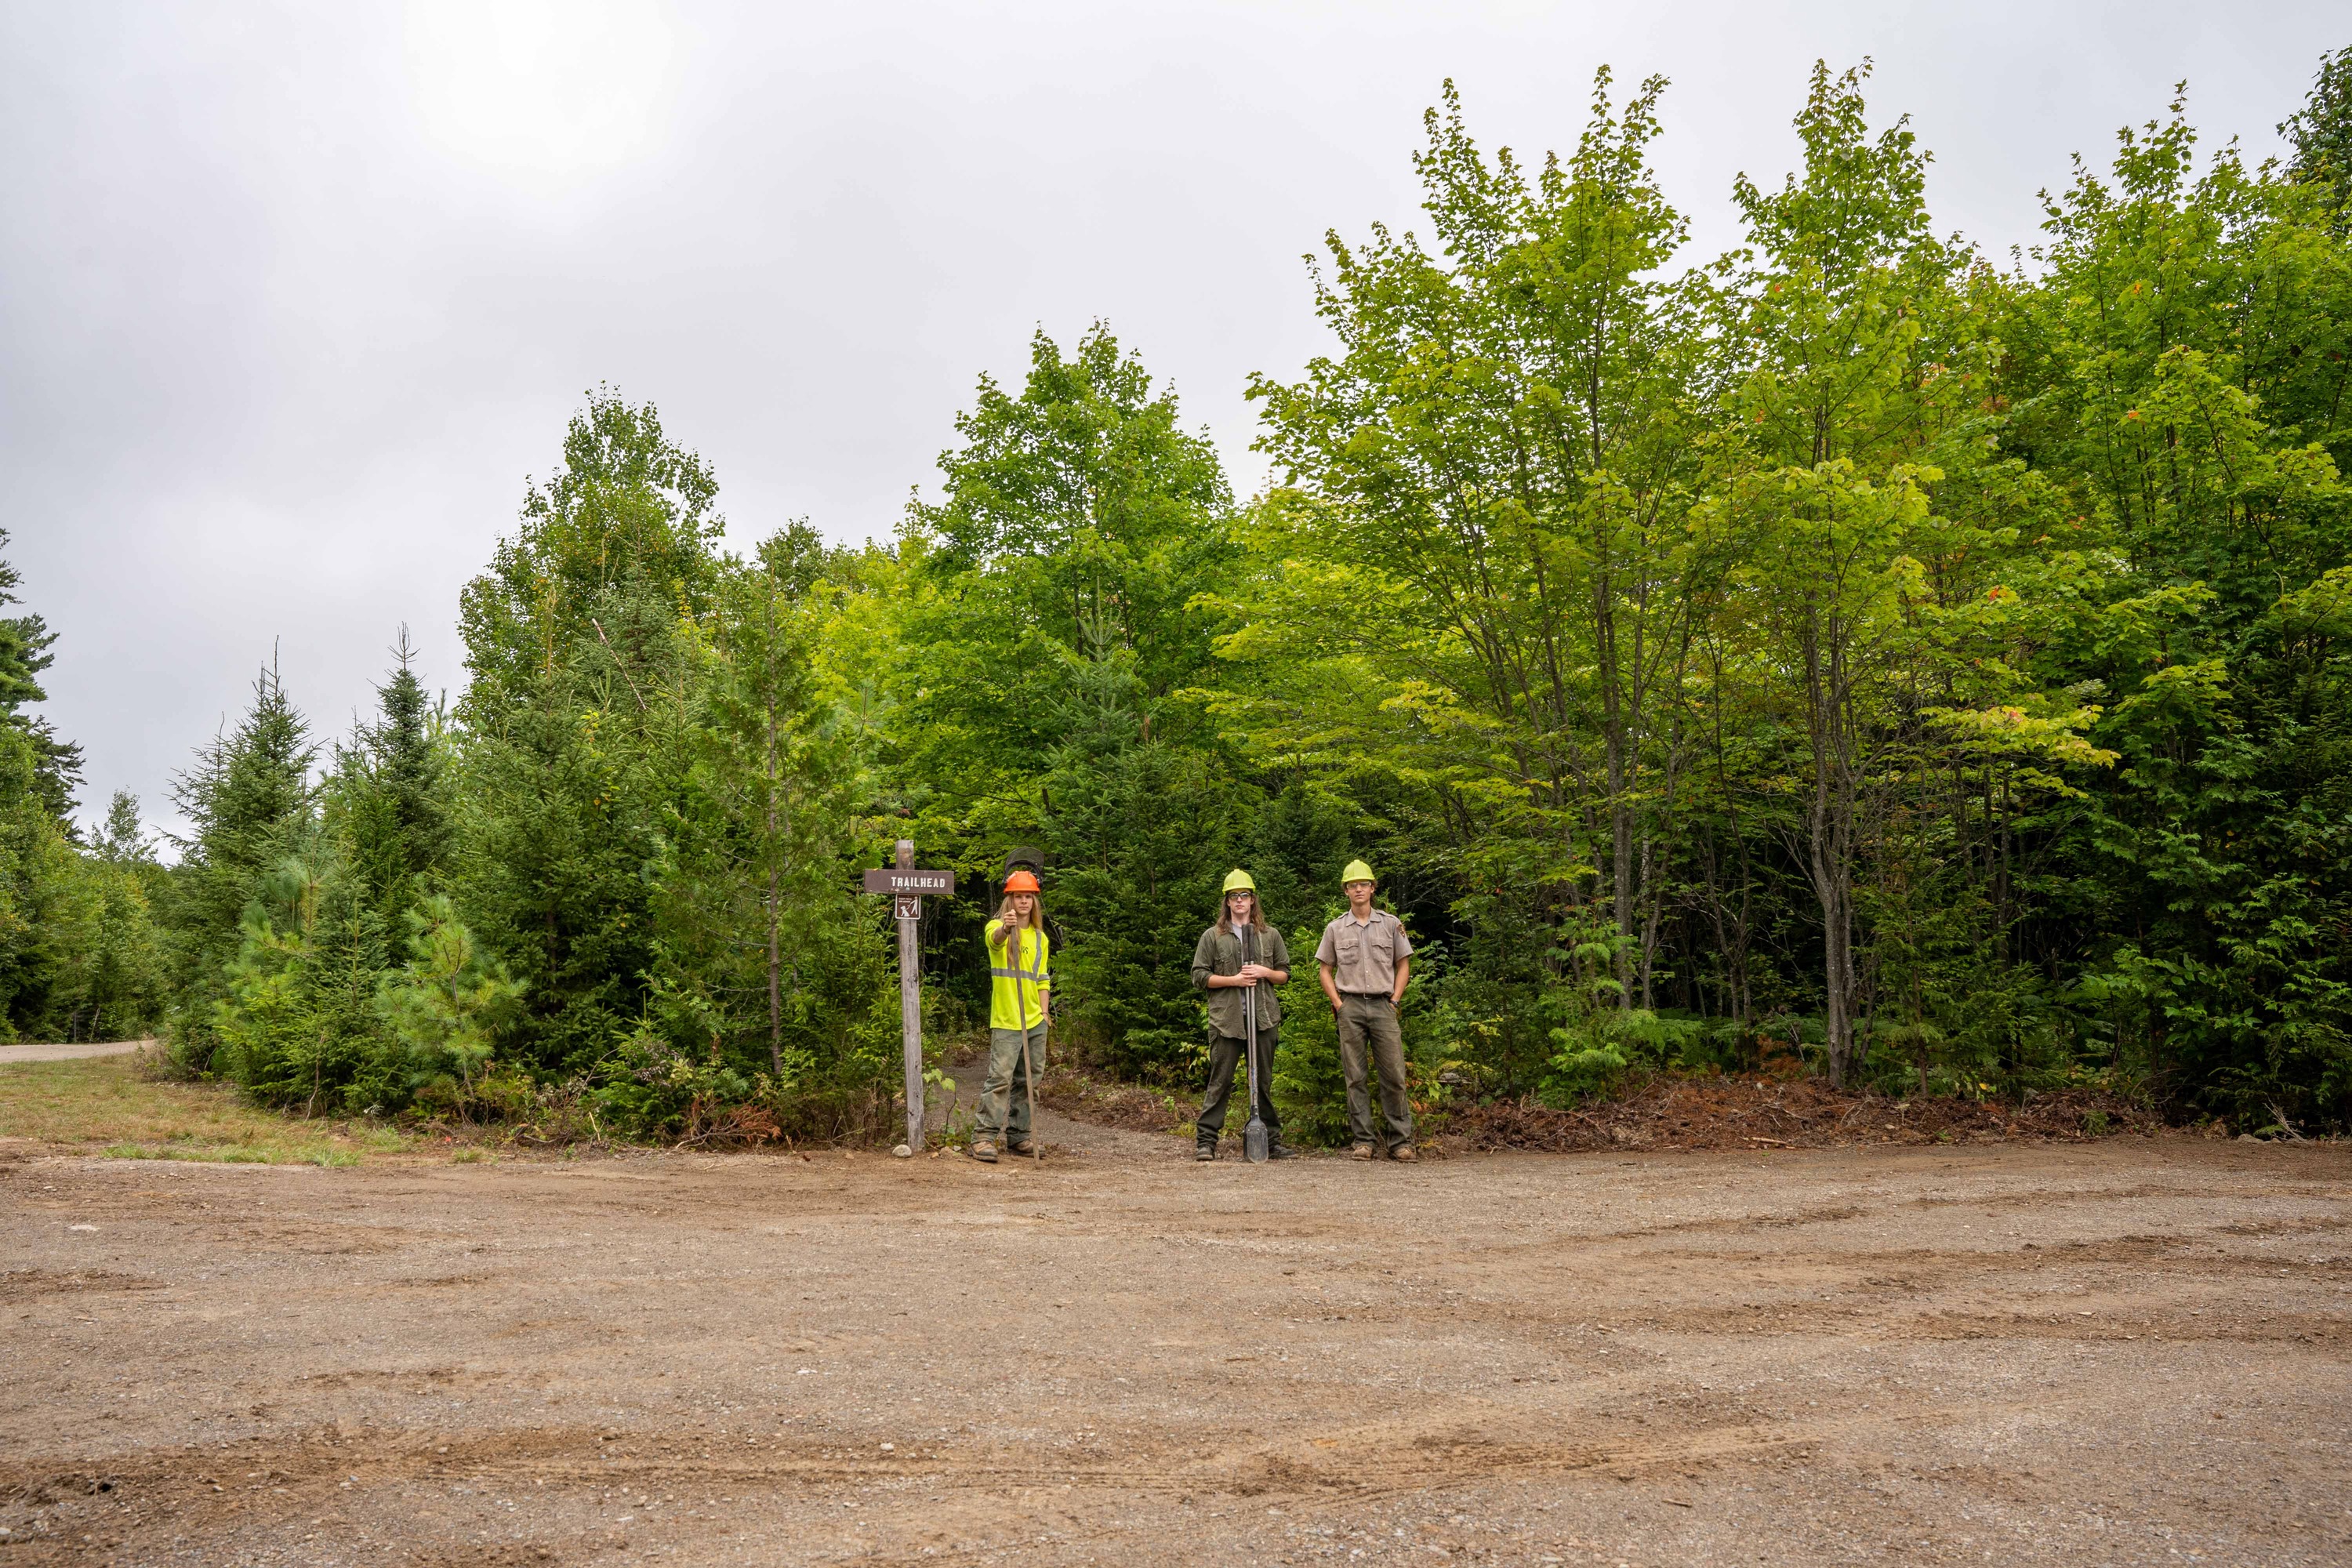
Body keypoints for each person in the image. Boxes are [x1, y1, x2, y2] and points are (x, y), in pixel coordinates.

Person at [1189, 869, 1297, 1161]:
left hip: (1263, 1018)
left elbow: (1285, 974)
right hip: (1227, 1021)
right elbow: (1199, 977)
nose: (1239, 901)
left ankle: (1270, 1142)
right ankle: (1206, 1142)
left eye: (1244, 896)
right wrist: (1234, 980)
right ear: (1227, 901)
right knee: (1220, 1081)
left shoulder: (1269, 936)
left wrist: (1265, 972)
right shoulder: (1213, 937)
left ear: (1252, 900)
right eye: (1234, 896)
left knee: (1262, 1081)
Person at [1315, 858, 1416, 1162]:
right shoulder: (1335, 928)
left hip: (1384, 1005)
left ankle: (1401, 1142)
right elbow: (1324, 970)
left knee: (1394, 1075)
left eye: (1363, 884)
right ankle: (1364, 1142)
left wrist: (1395, 999)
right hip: (1351, 1007)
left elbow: (1403, 964)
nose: (1358, 889)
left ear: (1373, 888)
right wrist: (1339, 1005)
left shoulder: (1391, 923)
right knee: (1355, 1076)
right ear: (1345, 891)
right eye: (1352, 885)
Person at [973, 868, 1050, 1163]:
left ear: (1034, 900)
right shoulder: (997, 927)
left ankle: (1019, 1136)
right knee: (1000, 1079)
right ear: (1010, 899)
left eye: (1028, 896)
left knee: (1030, 1082)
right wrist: (1006, 929)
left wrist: (1044, 1013)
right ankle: (983, 1137)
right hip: (1006, 1019)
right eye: (1019, 896)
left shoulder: (1041, 938)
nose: (1024, 902)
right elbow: (994, 940)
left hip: (1034, 1021)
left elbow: (1042, 978)